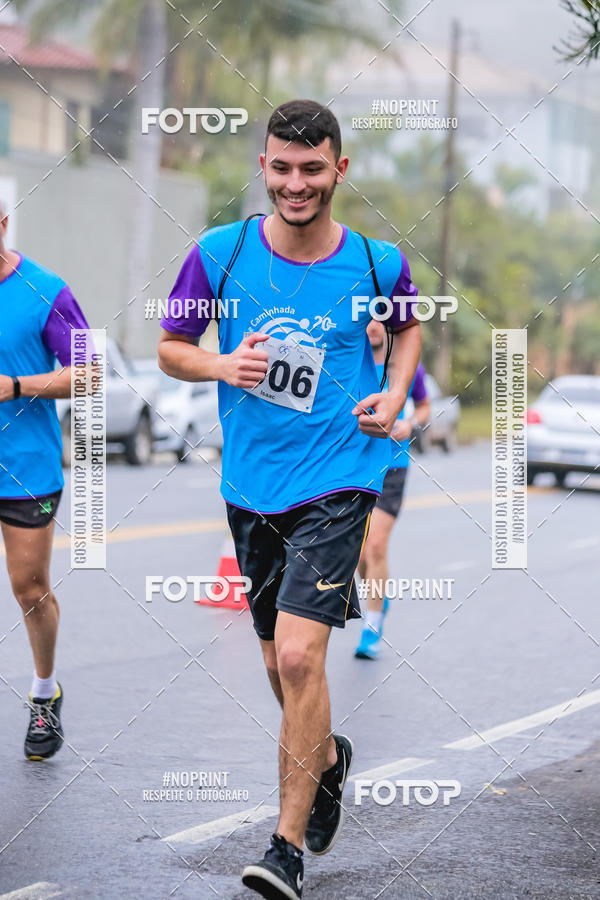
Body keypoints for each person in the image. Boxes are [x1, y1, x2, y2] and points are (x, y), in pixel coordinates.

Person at [158, 99, 421, 899]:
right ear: (262, 167)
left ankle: (284, 848)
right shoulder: (220, 253)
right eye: (281, 167)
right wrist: (221, 366)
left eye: (312, 168)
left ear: (339, 170)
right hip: (253, 489)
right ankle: (329, 758)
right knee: (281, 665)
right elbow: (170, 349)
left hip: (343, 478)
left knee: (304, 656)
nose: (295, 183)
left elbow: (407, 328)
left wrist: (396, 394)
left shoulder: (378, 263)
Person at [0, 200, 90, 759]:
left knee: (29, 588)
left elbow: (89, 374)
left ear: (3, 224)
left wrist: (13, 385)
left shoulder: (46, 290)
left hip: (26, 466)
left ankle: (43, 690)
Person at [355, 319, 431, 660]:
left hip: (392, 468)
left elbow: (425, 406)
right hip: (353, 469)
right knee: (356, 555)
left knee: (375, 546)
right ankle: (377, 593)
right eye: (366, 319)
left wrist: (409, 423)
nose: (372, 327)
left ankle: (372, 626)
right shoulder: (349, 359)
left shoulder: (407, 366)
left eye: (378, 320)